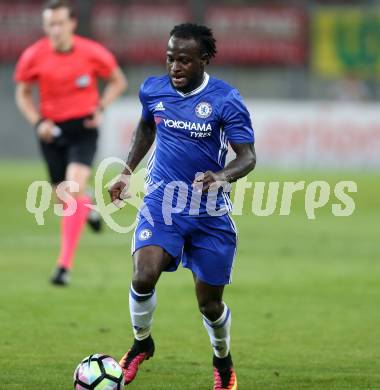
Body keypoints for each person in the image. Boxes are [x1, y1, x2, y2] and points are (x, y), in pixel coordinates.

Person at [109, 23, 256, 390]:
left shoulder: (225, 99)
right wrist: (127, 171)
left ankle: (222, 362)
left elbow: (248, 157)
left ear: (204, 60)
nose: (175, 67)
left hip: (209, 214)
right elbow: (147, 127)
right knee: (143, 276)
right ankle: (141, 342)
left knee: (209, 305)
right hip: (162, 203)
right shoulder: (153, 89)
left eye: (185, 60)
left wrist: (221, 176)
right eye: (171, 58)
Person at [14, 0, 127, 286]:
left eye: (60, 23)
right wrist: (38, 122)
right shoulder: (33, 55)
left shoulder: (91, 52)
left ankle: (63, 266)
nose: (55, 29)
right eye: (50, 24)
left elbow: (118, 81)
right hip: (51, 131)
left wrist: (100, 108)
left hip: (83, 128)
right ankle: (88, 208)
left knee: (72, 188)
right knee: (64, 196)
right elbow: (23, 93)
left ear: (72, 23)